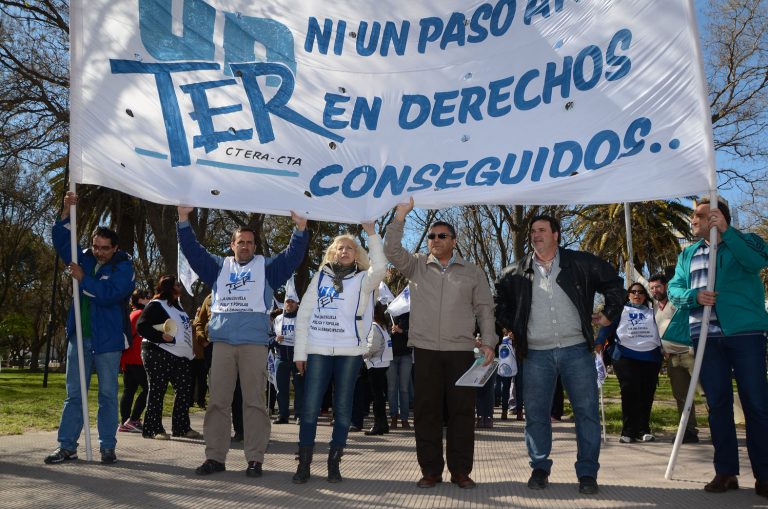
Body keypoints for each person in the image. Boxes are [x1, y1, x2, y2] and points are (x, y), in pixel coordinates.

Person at [495, 214, 624, 495]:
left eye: (541, 230)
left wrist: (608, 314)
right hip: (536, 354)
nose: (535, 235)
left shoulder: (581, 263)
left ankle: (588, 473)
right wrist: (514, 324)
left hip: (577, 350)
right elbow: (498, 302)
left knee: (586, 413)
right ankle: (539, 467)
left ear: (556, 234)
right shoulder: (515, 272)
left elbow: (615, 283)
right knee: (537, 415)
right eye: (532, 231)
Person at [177, 206, 309, 478]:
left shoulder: (268, 268)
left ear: (255, 246)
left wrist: (300, 229)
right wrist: (182, 219)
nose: (245, 246)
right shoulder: (218, 267)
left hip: (253, 344)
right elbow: (192, 251)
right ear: (232, 245)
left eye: (250, 242)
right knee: (217, 403)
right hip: (223, 343)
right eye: (241, 242)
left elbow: (292, 257)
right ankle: (215, 457)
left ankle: (255, 459)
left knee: (254, 403)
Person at [384, 197, 496, 490]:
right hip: (425, 351)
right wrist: (400, 216)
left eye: (441, 236)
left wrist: (489, 342)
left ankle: (461, 471)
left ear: (454, 241)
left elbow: (485, 309)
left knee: (461, 413)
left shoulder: (472, 271)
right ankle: (431, 470)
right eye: (431, 236)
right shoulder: (417, 265)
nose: (434, 239)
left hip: (461, 351)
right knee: (426, 412)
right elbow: (391, 250)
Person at [666, 197, 768, 498]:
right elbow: (674, 289)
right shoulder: (689, 254)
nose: (693, 221)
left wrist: (728, 232)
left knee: (757, 403)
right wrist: (693, 297)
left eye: (700, 215)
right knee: (717, 404)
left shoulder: (747, 242)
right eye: (694, 216)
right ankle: (726, 471)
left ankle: (764, 474)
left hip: (745, 333)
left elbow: (757, 263)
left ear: (717, 217)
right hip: (704, 336)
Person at [45, 191, 135, 465]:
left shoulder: (125, 268)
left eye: (105, 248)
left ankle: (107, 447)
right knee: (74, 395)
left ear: (115, 248)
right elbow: (61, 240)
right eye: (96, 246)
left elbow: (109, 294)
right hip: (79, 338)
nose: (99, 251)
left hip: (108, 342)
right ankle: (67, 446)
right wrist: (65, 210)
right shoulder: (82, 256)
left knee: (107, 395)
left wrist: (84, 280)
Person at [292, 223, 385, 484]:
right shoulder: (319, 277)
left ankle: (334, 462)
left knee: (343, 408)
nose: (344, 251)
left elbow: (380, 269)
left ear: (357, 255)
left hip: (349, 351)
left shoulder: (363, 280)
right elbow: (304, 316)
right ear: (333, 253)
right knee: (310, 408)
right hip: (318, 349)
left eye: (350, 248)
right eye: (340, 247)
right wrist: (301, 353)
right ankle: (304, 464)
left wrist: (372, 234)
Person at [629, 270, 700, 443]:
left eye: (658, 287)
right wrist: (631, 268)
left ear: (666, 286)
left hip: (691, 353)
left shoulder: (677, 302)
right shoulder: (653, 307)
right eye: (652, 288)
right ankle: (689, 431)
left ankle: (721, 429)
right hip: (673, 359)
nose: (655, 291)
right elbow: (643, 283)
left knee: (708, 394)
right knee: (681, 396)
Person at [136, 275, 201, 440]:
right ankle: (153, 428)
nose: (180, 286)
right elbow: (141, 326)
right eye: (177, 284)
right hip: (158, 352)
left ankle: (181, 427)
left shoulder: (178, 307)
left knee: (185, 391)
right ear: (169, 287)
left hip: (181, 356)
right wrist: (160, 337)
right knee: (158, 390)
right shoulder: (156, 305)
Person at [596, 282, 662, 444]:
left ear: (645, 295)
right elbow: (606, 327)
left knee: (646, 394)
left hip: (651, 357)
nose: (637, 295)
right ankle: (628, 431)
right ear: (628, 294)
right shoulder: (620, 311)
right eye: (633, 292)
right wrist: (598, 342)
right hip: (625, 356)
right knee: (629, 392)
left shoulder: (653, 311)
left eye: (640, 292)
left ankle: (643, 430)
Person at [118, 289, 150, 433]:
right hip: (137, 358)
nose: (150, 299)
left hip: (127, 359)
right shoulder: (142, 314)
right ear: (141, 299)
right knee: (149, 389)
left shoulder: (131, 314)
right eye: (147, 297)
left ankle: (124, 422)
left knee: (129, 390)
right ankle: (134, 419)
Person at [363, 302, 393, 435]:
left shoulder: (374, 326)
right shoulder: (383, 326)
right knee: (379, 396)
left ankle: (378, 425)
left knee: (377, 397)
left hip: (375, 364)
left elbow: (373, 347)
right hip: (383, 364)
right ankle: (383, 424)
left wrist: (361, 353)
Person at [273, 295, 303, 424]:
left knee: (300, 388)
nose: (289, 304)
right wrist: (275, 340)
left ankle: (300, 415)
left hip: (298, 358)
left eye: (292, 302)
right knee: (281, 388)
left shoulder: (302, 319)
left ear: (297, 303)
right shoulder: (278, 319)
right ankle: (283, 415)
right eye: (287, 302)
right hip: (281, 357)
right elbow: (270, 336)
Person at [387, 311, 412, 429]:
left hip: (406, 355)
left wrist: (401, 331)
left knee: (404, 388)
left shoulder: (411, 315)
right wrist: (390, 332)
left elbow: (415, 334)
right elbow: (382, 333)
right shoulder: (389, 314)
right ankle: (393, 416)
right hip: (391, 356)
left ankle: (404, 418)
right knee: (392, 388)